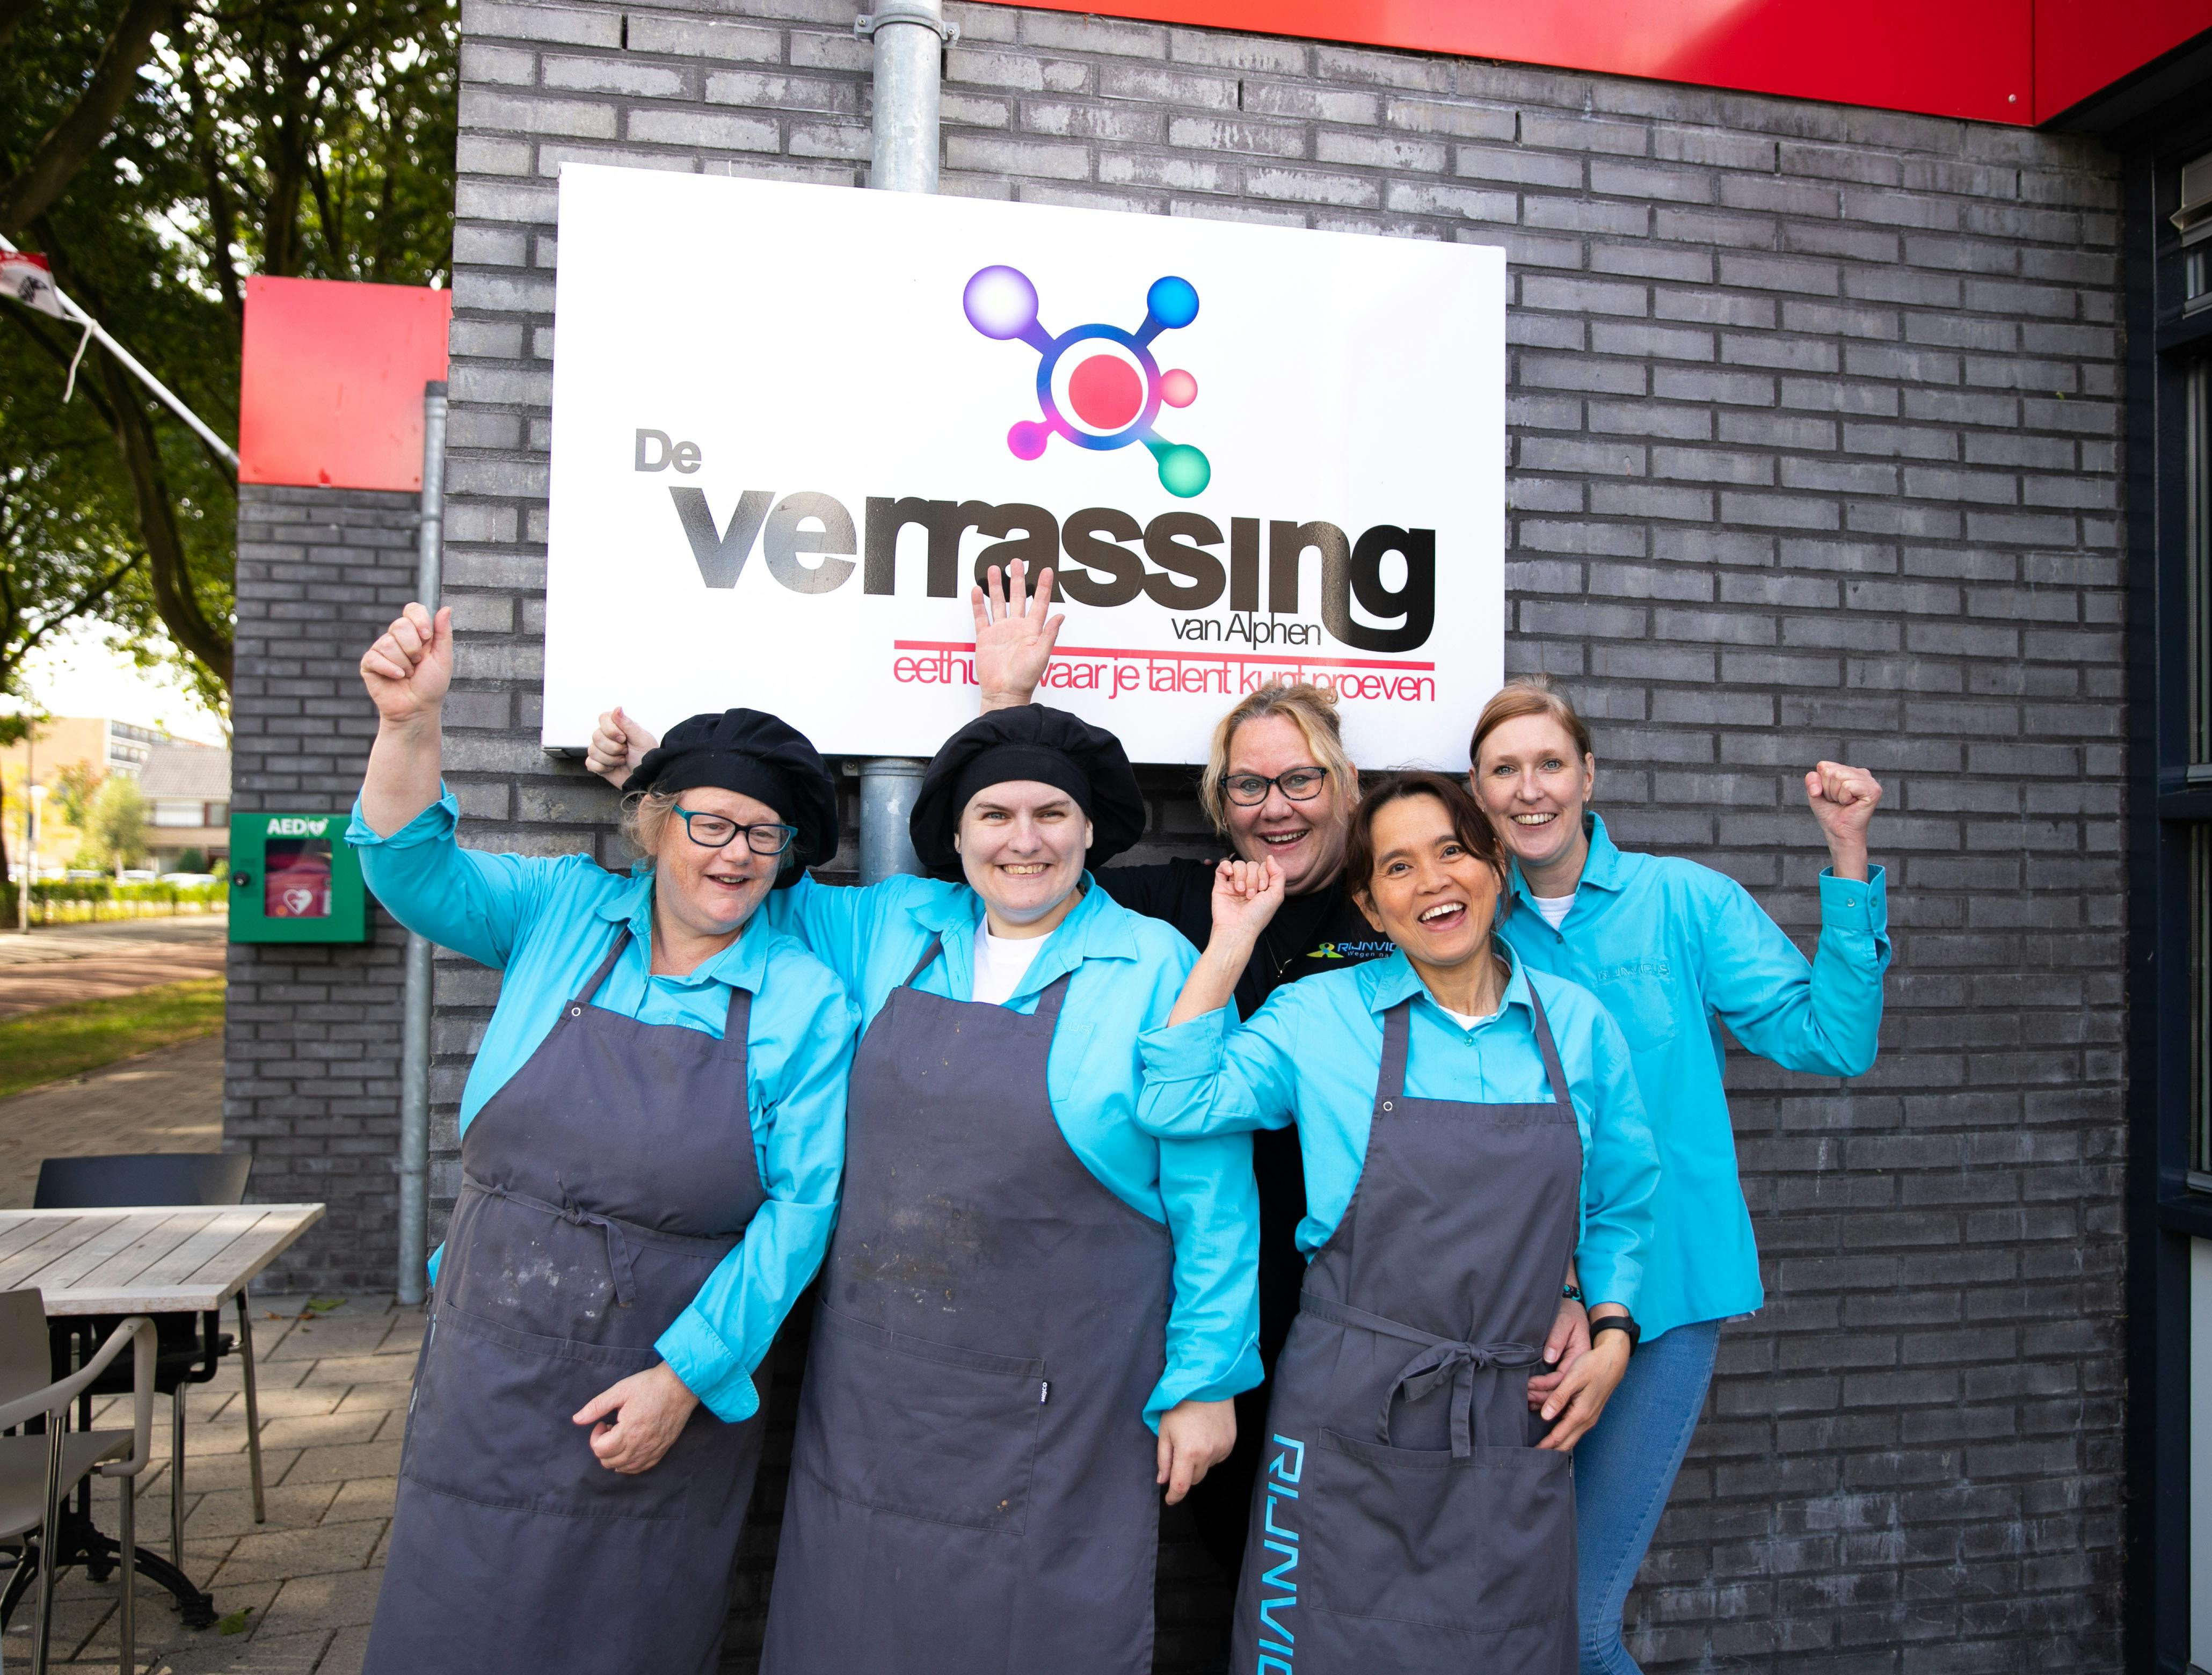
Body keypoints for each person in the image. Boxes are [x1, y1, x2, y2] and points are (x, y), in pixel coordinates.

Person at [588, 700, 1262, 1674]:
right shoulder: (892, 924)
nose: (1022, 841)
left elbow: (1214, 1200)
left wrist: (1205, 1384)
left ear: (1090, 832)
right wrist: (664, 786)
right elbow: (744, 878)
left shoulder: (1158, 963)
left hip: (1061, 1403)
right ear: (955, 834)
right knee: (855, 1623)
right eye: (994, 815)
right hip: (877, 1393)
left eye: (1050, 815)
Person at [351, 604, 858, 1675]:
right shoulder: (558, 913)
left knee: (621, 1639)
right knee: (453, 1625)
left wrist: (684, 1378)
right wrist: (409, 725)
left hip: (654, 1381)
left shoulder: (802, 997)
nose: (736, 855)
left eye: (764, 836)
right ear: (653, 823)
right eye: (711, 824)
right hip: (489, 1359)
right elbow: (408, 867)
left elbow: (801, 1211)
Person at [1136, 771, 1661, 1674]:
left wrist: (1610, 1324)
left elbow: (1620, 1201)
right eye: (1399, 868)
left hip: (1513, 1409)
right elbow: (1176, 1097)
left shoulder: (1575, 1027)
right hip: (1346, 1406)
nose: (1433, 884)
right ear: (1372, 909)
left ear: (1497, 866)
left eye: (1453, 852)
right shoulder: (1319, 1014)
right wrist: (1232, 942)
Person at [966, 559, 1407, 1577]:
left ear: (1343, 785)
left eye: (1301, 779)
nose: (1277, 807)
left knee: (1374, 1554)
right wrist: (1005, 704)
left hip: (1375, 1293)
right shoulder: (1172, 904)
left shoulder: (1397, 911)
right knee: (1254, 1558)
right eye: (1250, 786)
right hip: (1218, 1293)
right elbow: (1019, 868)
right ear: (1221, 802)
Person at [1469, 675, 1889, 1675]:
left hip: (1666, 1293)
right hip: (1506, 1309)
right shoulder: (1471, 926)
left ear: (1589, 776)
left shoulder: (1684, 902)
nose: (1530, 790)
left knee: (1576, 1620)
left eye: (1549, 764)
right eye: (1503, 771)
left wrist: (1846, 851)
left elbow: (1833, 1041)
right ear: (1479, 795)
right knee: (1505, 1610)